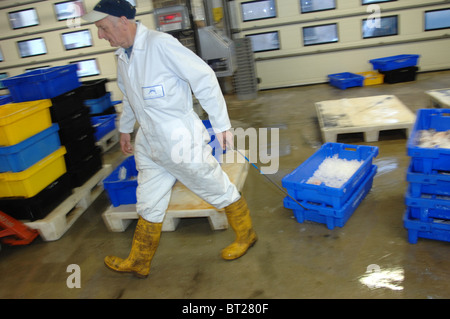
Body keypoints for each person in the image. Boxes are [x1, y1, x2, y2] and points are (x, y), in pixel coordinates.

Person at [83, 0, 257, 279]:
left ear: (122, 22)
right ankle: (140, 260)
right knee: (148, 200)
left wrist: (221, 125)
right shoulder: (123, 56)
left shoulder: (160, 45)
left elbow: (205, 78)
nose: (101, 35)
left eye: (103, 28)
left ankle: (246, 235)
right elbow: (129, 98)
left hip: (180, 142)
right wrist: (126, 130)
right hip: (149, 142)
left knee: (215, 187)